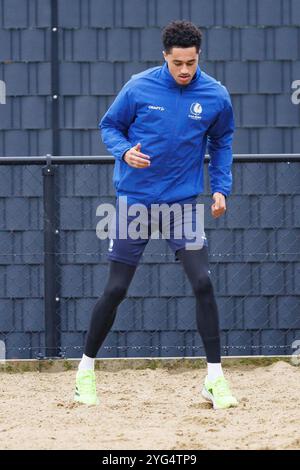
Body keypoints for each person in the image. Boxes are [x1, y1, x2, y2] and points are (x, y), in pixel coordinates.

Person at [74, 20, 238, 410]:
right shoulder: (138, 86)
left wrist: (220, 187)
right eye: (178, 63)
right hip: (135, 201)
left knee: (203, 283)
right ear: (165, 57)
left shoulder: (215, 95)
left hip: (182, 206)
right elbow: (109, 126)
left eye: (191, 63)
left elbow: (223, 140)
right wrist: (125, 150)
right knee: (115, 290)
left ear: (199, 57)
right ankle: (85, 372)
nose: (184, 70)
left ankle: (214, 378)